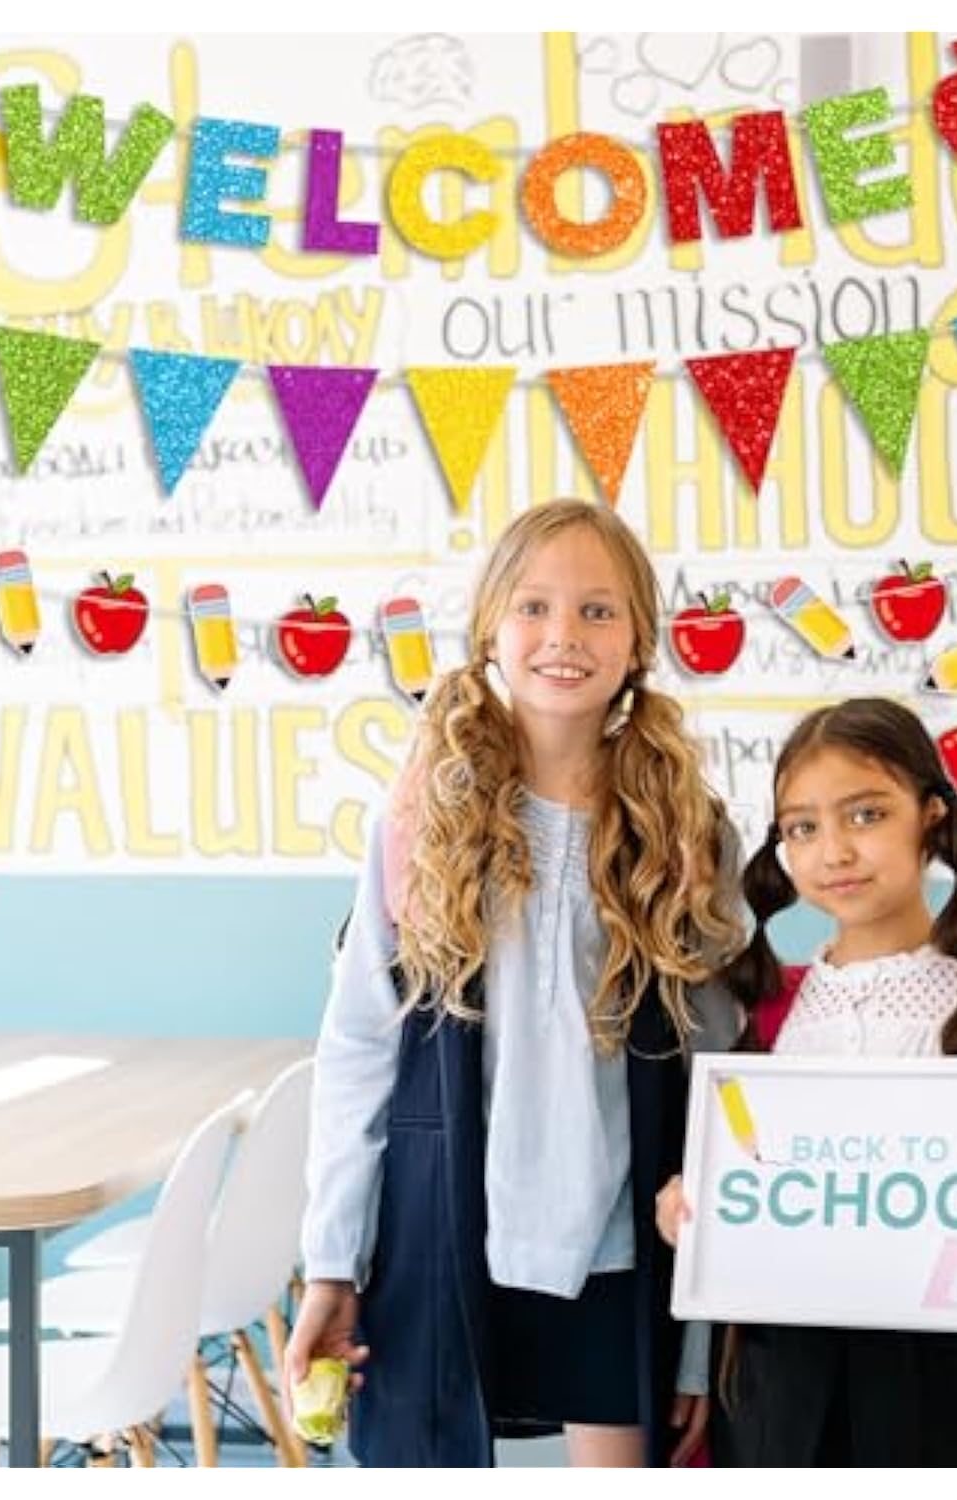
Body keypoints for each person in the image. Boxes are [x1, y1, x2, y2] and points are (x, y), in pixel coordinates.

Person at [286, 498, 745, 1467]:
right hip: (442, 1231)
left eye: (597, 611)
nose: (562, 636)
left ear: (640, 642)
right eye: (534, 607)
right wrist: (331, 1257)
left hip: (622, 1246)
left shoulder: (687, 832)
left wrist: (706, 1335)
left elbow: (720, 1084)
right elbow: (360, 1045)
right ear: (491, 628)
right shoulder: (421, 818)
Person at [656, 696, 957, 1467]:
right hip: (778, 1378)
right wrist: (689, 1209)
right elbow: (738, 1185)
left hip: (935, 1377)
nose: (834, 851)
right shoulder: (767, 999)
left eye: (865, 815)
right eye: (803, 828)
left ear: (930, 816)